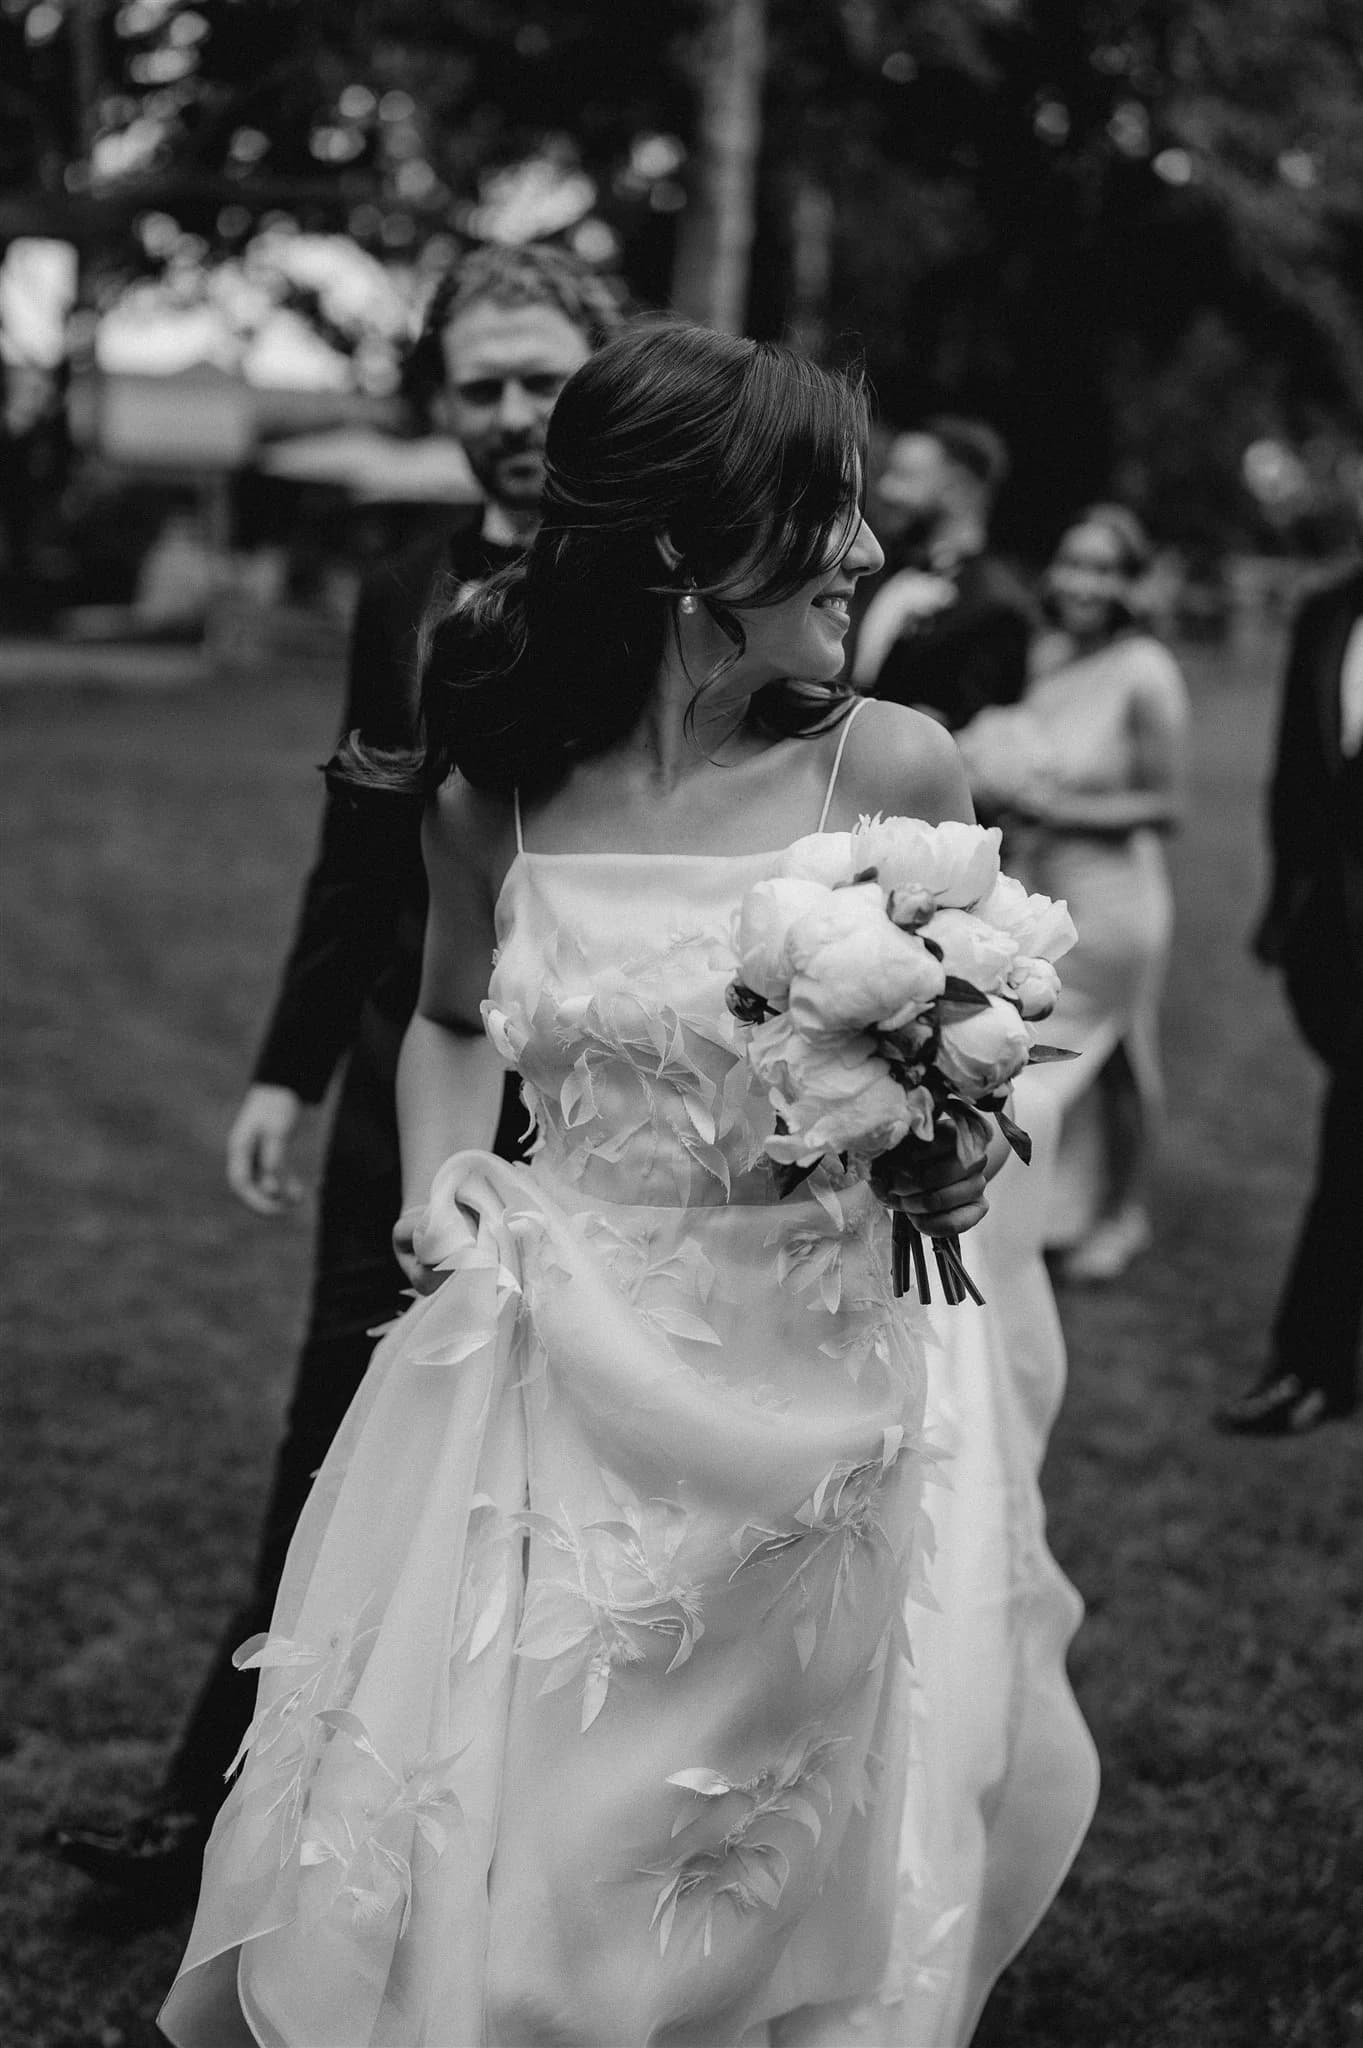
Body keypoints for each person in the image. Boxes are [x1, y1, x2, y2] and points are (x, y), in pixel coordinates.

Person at [160, 324, 1095, 2047]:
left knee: (716, 1864)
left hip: (804, 1416)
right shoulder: (495, 786)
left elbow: (967, 1073)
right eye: (827, 513)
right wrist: (445, 1178)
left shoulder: (886, 771)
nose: (870, 556)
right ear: (684, 543)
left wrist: (950, 1148)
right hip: (549, 1381)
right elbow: (449, 1021)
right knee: (518, 1861)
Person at [52, 243, 624, 1907]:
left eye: (543, 380)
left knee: (567, 1459)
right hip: (407, 1066)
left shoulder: (661, 580)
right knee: (336, 1422)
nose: (514, 416)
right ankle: (214, 1804)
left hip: (606, 1083)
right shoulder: (405, 588)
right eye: (482, 385)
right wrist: (287, 1069)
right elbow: (359, 848)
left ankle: (507, 1831)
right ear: (439, 400)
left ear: (598, 376)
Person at [957, 504, 1190, 1282]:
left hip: (1113, 900)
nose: (1083, 581)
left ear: (1129, 583)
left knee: (1119, 1056)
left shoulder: (1144, 670)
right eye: (1072, 562)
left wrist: (1057, 809)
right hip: (1043, 888)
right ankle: (1059, 1206)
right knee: (1046, 1056)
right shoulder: (1046, 653)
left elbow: (1166, 805)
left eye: (1103, 567)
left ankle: (1125, 1214)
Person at [1216, 531, 1363, 1435]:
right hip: (1331, 929)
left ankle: (1310, 1363)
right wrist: (1283, 905)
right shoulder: (1325, 608)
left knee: (1349, 1139)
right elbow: (1293, 775)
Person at [851, 417, 1036, 731]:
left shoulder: (996, 607)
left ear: (958, 489)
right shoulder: (877, 571)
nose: (885, 490)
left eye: (904, 477)